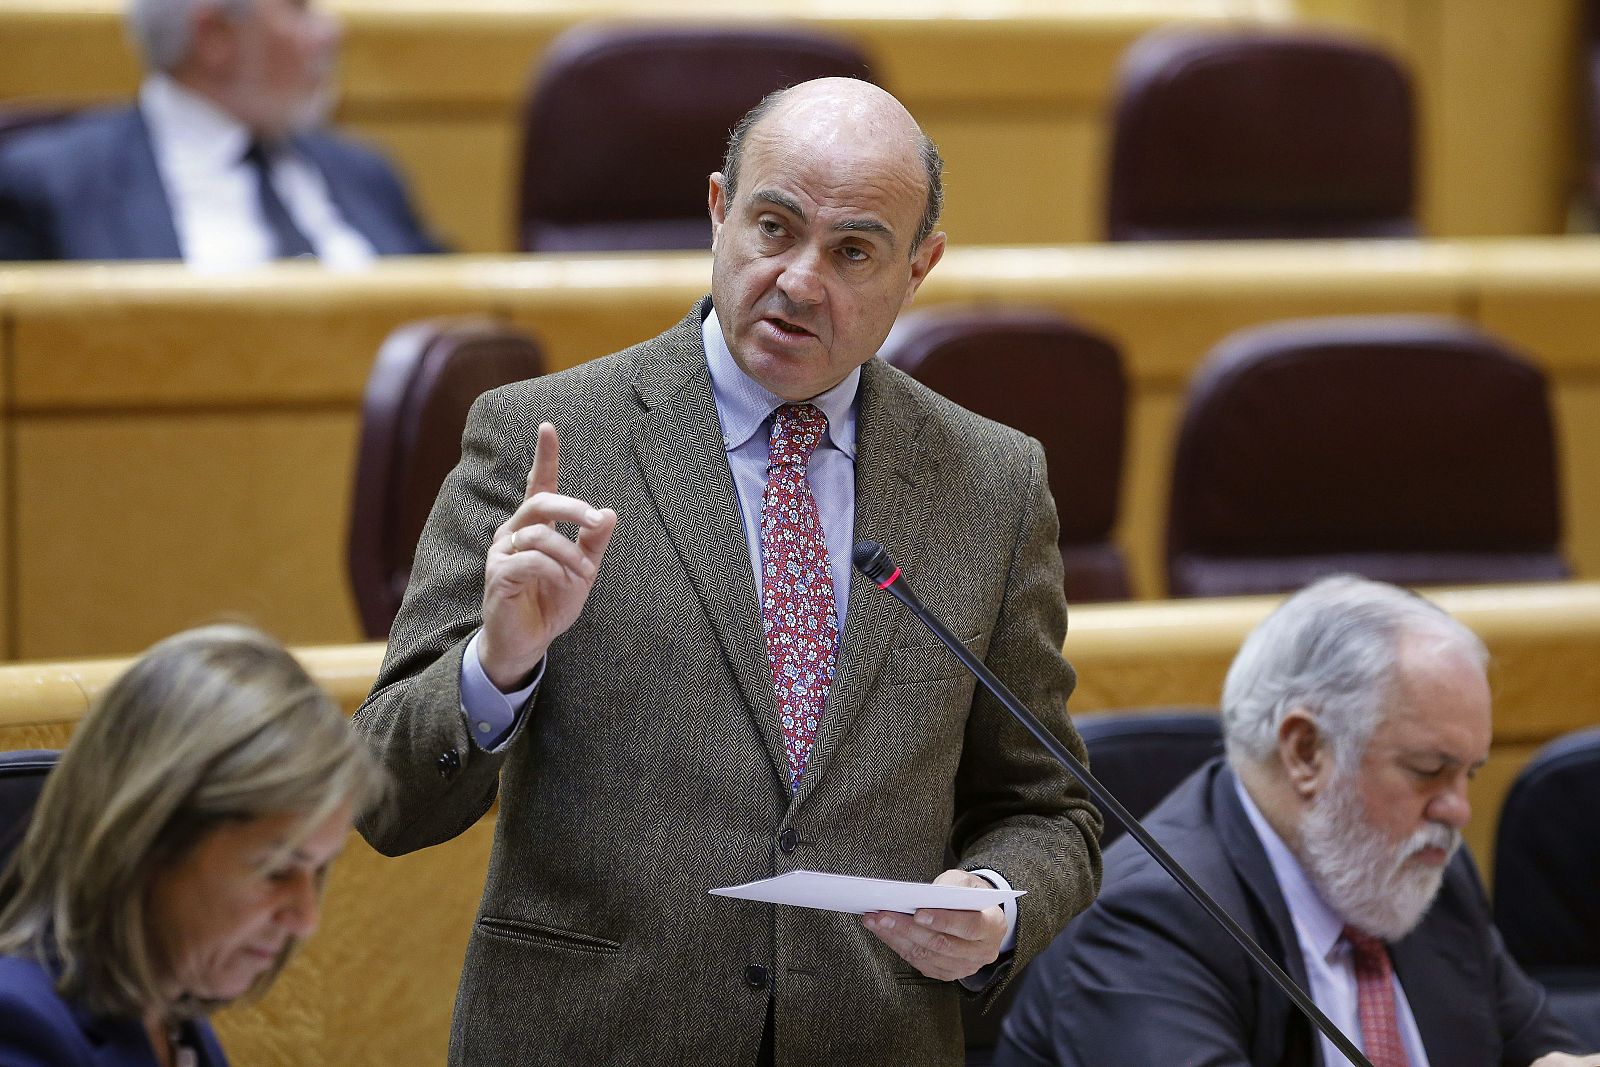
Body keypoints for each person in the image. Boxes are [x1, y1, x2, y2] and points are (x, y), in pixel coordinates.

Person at [353, 77, 1102, 1065]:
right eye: (773, 227)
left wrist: (995, 902)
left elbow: (1049, 807)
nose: (798, 280)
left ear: (918, 269)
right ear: (718, 209)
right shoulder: (547, 436)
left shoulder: (990, 483)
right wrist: (496, 664)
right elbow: (385, 795)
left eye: (852, 251)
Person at [995, 575, 1600, 1067]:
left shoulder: (1421, 865)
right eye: (1428, 769)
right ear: (1306, 751)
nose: (1458, 810)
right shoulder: (1148, 923)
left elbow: (1540, 1046)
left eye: (1468, 773)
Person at [0, 624, 387, 1066]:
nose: (305, 919)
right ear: (148, 837)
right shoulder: (18, 1031)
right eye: (276, 870)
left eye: (317, 870)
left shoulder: (175, 1021)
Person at [0, 0, 443, 267]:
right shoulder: (47, 188)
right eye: (298, 7)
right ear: (215, 37)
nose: (330, 32)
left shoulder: (366, 172)